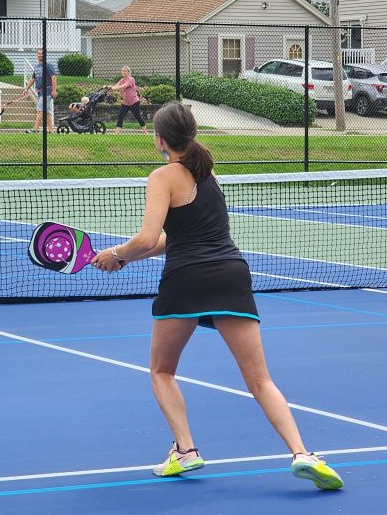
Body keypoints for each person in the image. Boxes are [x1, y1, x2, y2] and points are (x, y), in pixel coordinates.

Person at [90, 102, 344, 491]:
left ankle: (187, 451)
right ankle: (302, 453)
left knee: (162, 371)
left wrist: (117, 254)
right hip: (231, 273)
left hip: (187, 278)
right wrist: (122, 258)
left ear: (159, 139)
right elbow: (173, 238)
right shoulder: (210, 175)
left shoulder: (162, 176)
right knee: (260, 380)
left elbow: (146, 237)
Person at [23, 48, 58, 133]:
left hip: (47, 91)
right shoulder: (37, 66)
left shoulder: (48, 65)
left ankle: (35, 129)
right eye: (38, 54)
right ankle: (51, 130)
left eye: (41, 54)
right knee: (47, 111)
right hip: (40, 92)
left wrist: (54, 90)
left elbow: (53, 78)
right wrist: (26, 88)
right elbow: (33, 78)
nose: (39, 55)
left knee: (40, 109)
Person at [108, 66, 148, 135]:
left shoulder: (131, 79)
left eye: (125, 71)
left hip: (134, 102)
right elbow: (116, 85)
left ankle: (145, 132)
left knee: (138, 117)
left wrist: (114, 88)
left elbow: (124, 86)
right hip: (125, 103)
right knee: (120, 116)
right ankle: (116, 134)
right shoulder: (121, 80)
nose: (124, 72)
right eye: (123, 71)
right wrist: (109, 87)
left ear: (128, 72)